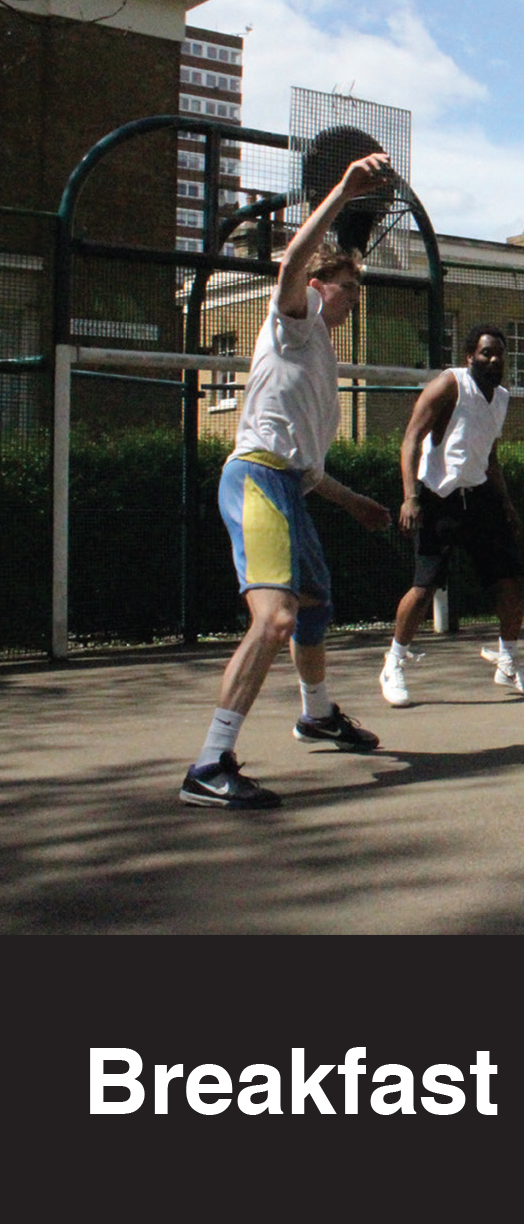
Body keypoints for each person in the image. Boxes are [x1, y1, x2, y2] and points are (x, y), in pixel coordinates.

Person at [179, 154, 396, 809]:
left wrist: (352, 502)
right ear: (319, 286)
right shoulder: (294, 321)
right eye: (347, 286)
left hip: (287, 489)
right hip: (256, 480)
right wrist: (344, 191)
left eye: (356, 289)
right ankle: (209, 764)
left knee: (315, 606)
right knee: (275, 619)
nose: (354, 297)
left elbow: (304, 465)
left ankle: (317, 713)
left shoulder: (319, 355)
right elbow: (291, 262)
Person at [380, 325, 524, 706]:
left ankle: (507, 662)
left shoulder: (501, 397)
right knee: (424, 588)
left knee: (512, 581)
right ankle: (394, 663)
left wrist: (505, 503)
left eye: (499, 354)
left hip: (481, 498)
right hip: (439, 497)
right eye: (486, 353)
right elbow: (411, 439)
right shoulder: (449, 385)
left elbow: (490, 456)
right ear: (470, 356)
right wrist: (410, 497)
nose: (494, 359)